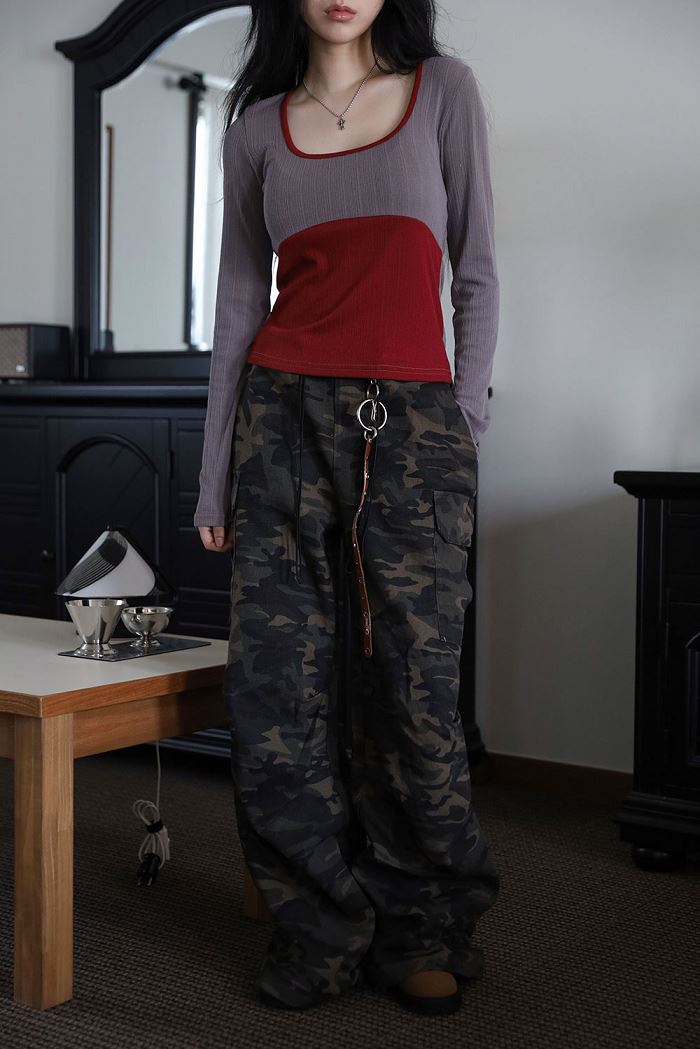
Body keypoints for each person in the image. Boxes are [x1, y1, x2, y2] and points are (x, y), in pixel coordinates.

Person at [195, 0, 500, 1016]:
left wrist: (459, 420)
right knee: (276, 693)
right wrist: (214, 473)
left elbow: (477, 268)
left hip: (411, 427)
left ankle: (424, 924)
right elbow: (238, 306)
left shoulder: (443, 92)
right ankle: (317, 926)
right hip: (279, 422)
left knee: (413, 686)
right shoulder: (254, 130)